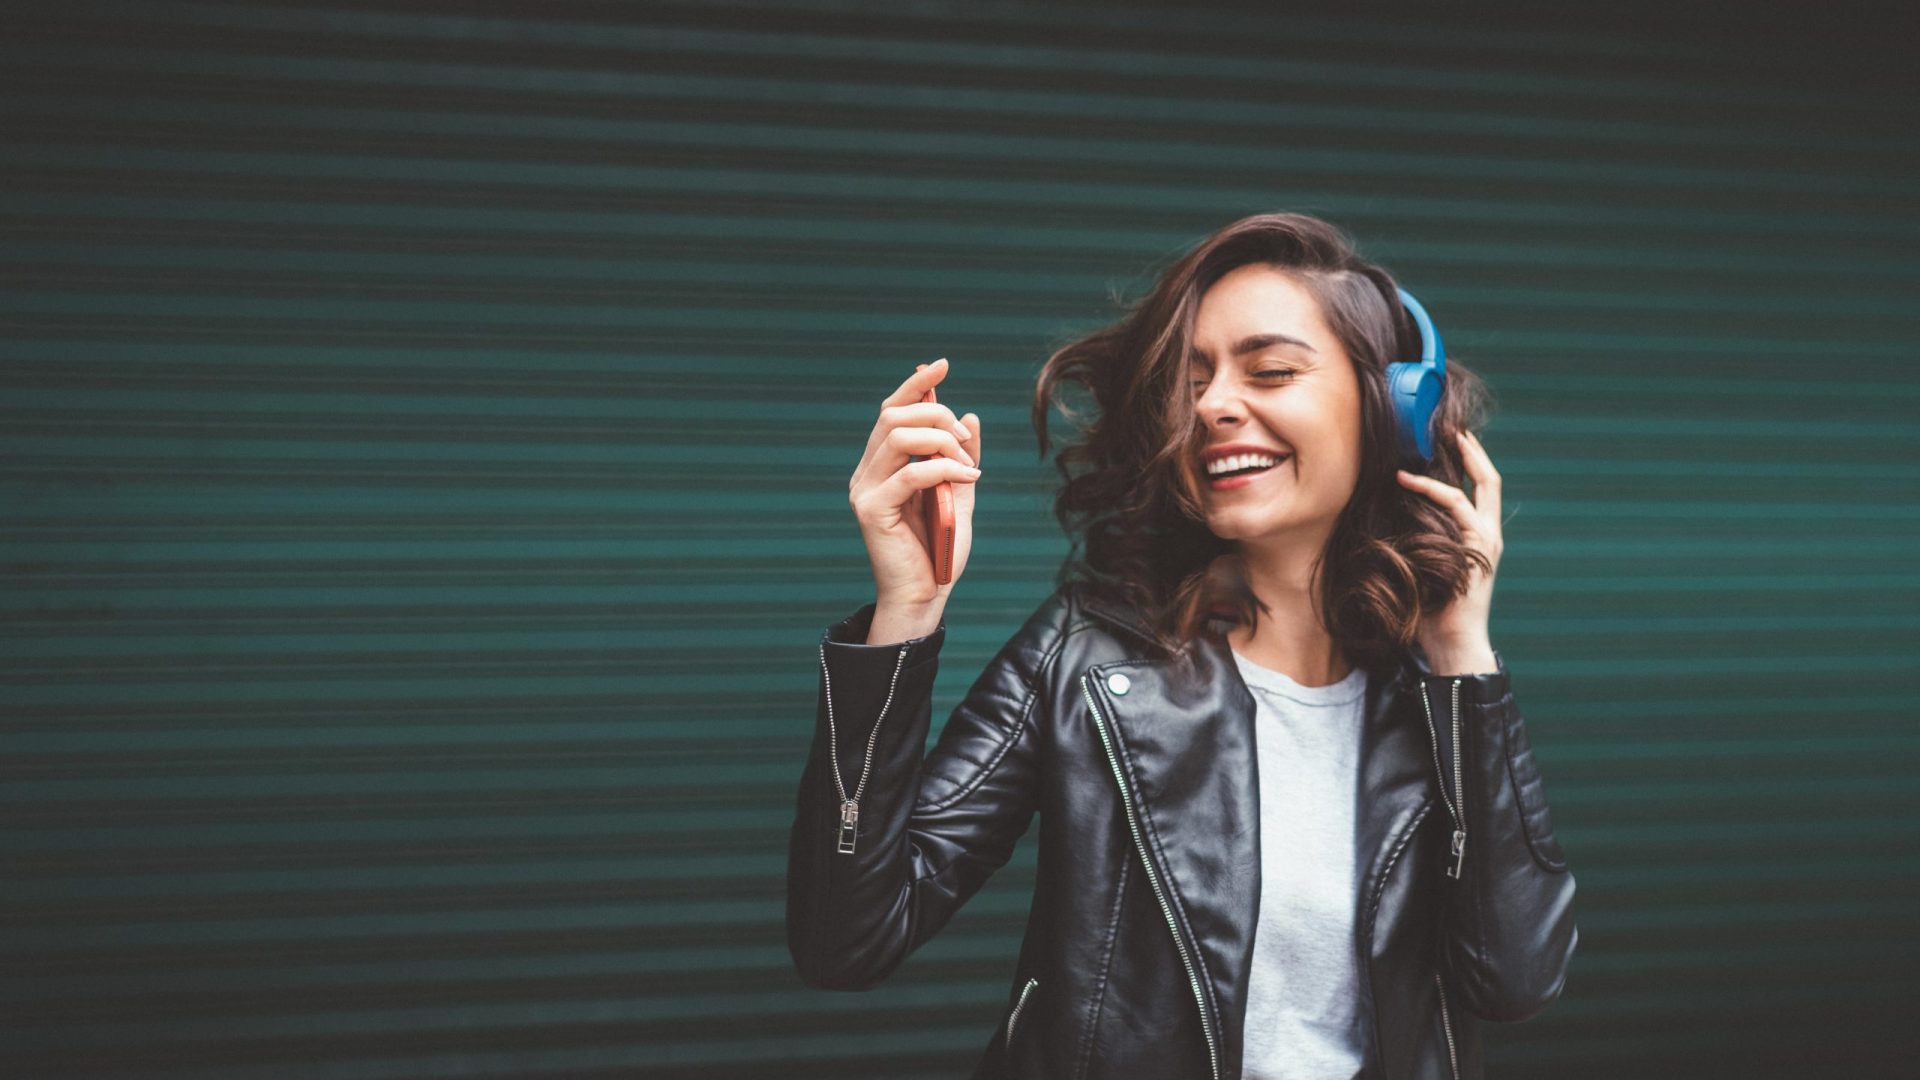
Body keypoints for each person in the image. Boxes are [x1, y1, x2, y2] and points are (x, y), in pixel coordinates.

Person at [786, 211, 1577, 1080]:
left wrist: (1463, 651)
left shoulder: (1432, 696)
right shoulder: (1084, 656)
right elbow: (847, 939)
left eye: (1270, 370)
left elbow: (1513, 979)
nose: (1211, 407)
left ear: (1395, 410)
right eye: (1190, 382)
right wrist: (908, 607)